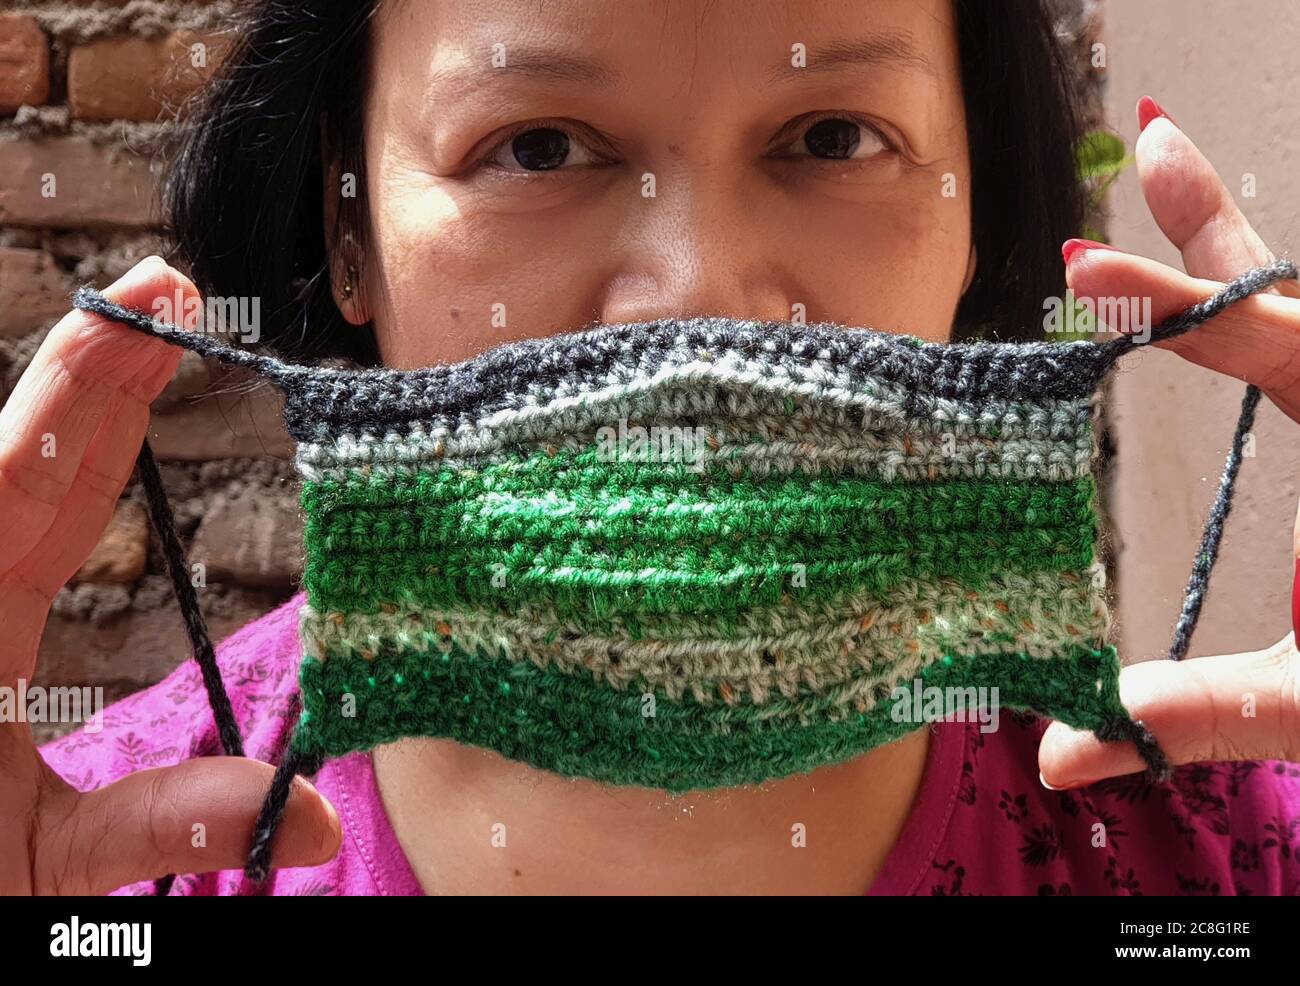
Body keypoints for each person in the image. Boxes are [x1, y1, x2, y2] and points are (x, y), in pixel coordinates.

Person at [6, 0, 1300, 895]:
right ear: (348, 236)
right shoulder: (98, 869)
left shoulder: (1219, 857)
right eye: (540, 145)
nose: (701, 289)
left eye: (833, 137)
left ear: (978, 223)